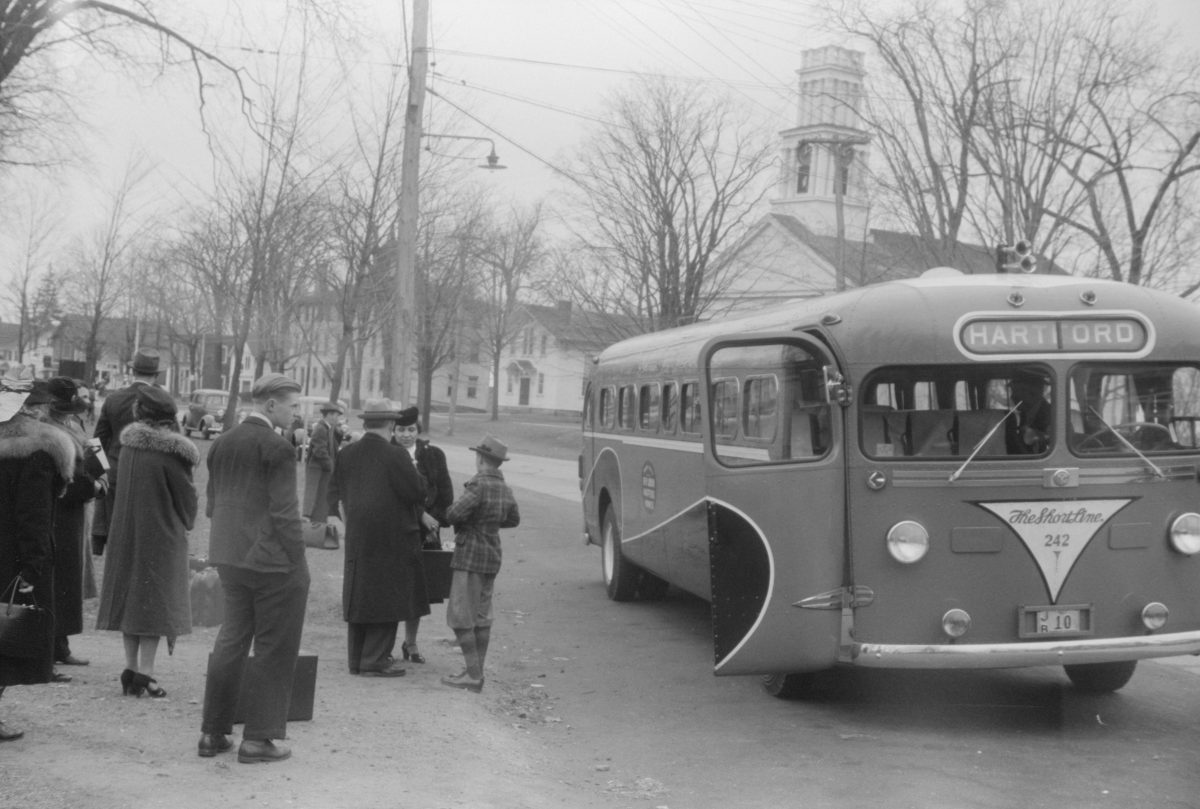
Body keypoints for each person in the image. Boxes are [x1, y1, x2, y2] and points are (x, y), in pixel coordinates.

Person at [199, 373, 308, 764]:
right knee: (273, 647)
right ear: (271, 405)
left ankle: (212, 734)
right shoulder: (277, 447)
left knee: (231, 640)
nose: (298, 414)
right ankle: (258, 739)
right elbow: (284, 514)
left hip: (228, 556)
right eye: (294, 406)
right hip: (270, 563)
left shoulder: (222, 442)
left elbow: (212, 503)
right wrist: (298, 559)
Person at [96, 386, 199, 698]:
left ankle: (129, 669)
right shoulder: (172, 453)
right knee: (154, 605)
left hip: (126, 534)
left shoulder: (128, 448)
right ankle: (146, 674)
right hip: (161, 537)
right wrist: (188, 520)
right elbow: (186, 498)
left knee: (130, 603)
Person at [327, 399, 427, 678]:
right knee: (388, 597)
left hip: (358, 535)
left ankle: (357, 660)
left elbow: (334, 493)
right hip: (392, 537)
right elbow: (417, 492)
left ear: (366, 423)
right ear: (391, 424)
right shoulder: (396, 455)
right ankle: (376, 660)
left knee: (360, 595)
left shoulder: (347, 454)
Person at [0, 380, 77, 740]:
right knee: (7, 638)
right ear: (38, 409)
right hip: (12, 559)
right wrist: (34, 565)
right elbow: (33, 514)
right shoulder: (40, 450)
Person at [440, 435, 520, 693]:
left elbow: (453, 514)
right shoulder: (504, 488)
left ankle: (473, 676)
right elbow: (514, 519)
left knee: (461, 617)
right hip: (492, 554)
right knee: (482, 617)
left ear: (481, 458)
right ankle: (476, 671)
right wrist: (490, 523)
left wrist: (472, 522)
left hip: (470, 554)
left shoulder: (478, 485)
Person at [43, 378, 103, 670]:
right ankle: (53, 646)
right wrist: (96, 488)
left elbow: (96, 457)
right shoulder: (54, 432)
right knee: (61, 579)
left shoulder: (73, 425)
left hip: (71, 514)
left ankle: (60, 644)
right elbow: (72, 480)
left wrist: (99, 470)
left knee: (66, 580)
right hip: (62, 513)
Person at [391, 406, 453, 664]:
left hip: (426, 534)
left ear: (418, 430)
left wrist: (432, 522)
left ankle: (411, 643)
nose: (406, 435)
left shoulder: (434, 455)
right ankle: (384, 644)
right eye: (401, 430)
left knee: (419, 590)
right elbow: (390, 496)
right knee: (393, 587)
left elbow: (446, 493)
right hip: (395, 531)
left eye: (411, 430)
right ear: (393, 431)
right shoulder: (388, 453)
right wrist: (419, 516)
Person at [93, 348, 161, 556]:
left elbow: (95, 442)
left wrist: (102, 471)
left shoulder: (114, 399)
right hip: (148, 477)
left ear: (133, 372)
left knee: (116, 538)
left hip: (115, 473)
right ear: (156, 374)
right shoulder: (162, 401)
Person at [302, 402, 341, 524]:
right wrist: (331, 466)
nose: (337, 418)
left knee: (322, 500)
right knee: (316, 499)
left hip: (323, 469)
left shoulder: (328, 427)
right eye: (336, 415)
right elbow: (320, 451)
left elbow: (333, 447)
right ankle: (314, 527)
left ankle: (319, 524)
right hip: (318, 470)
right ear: (329, 414)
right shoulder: (321, 428)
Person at [1007, 371, 1051, 455]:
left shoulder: (1051, 414)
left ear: (1033, 392)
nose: (1012, 397)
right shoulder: (1023, 414)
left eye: (1015, 391)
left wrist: (1034, 434)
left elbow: (1059, 439)